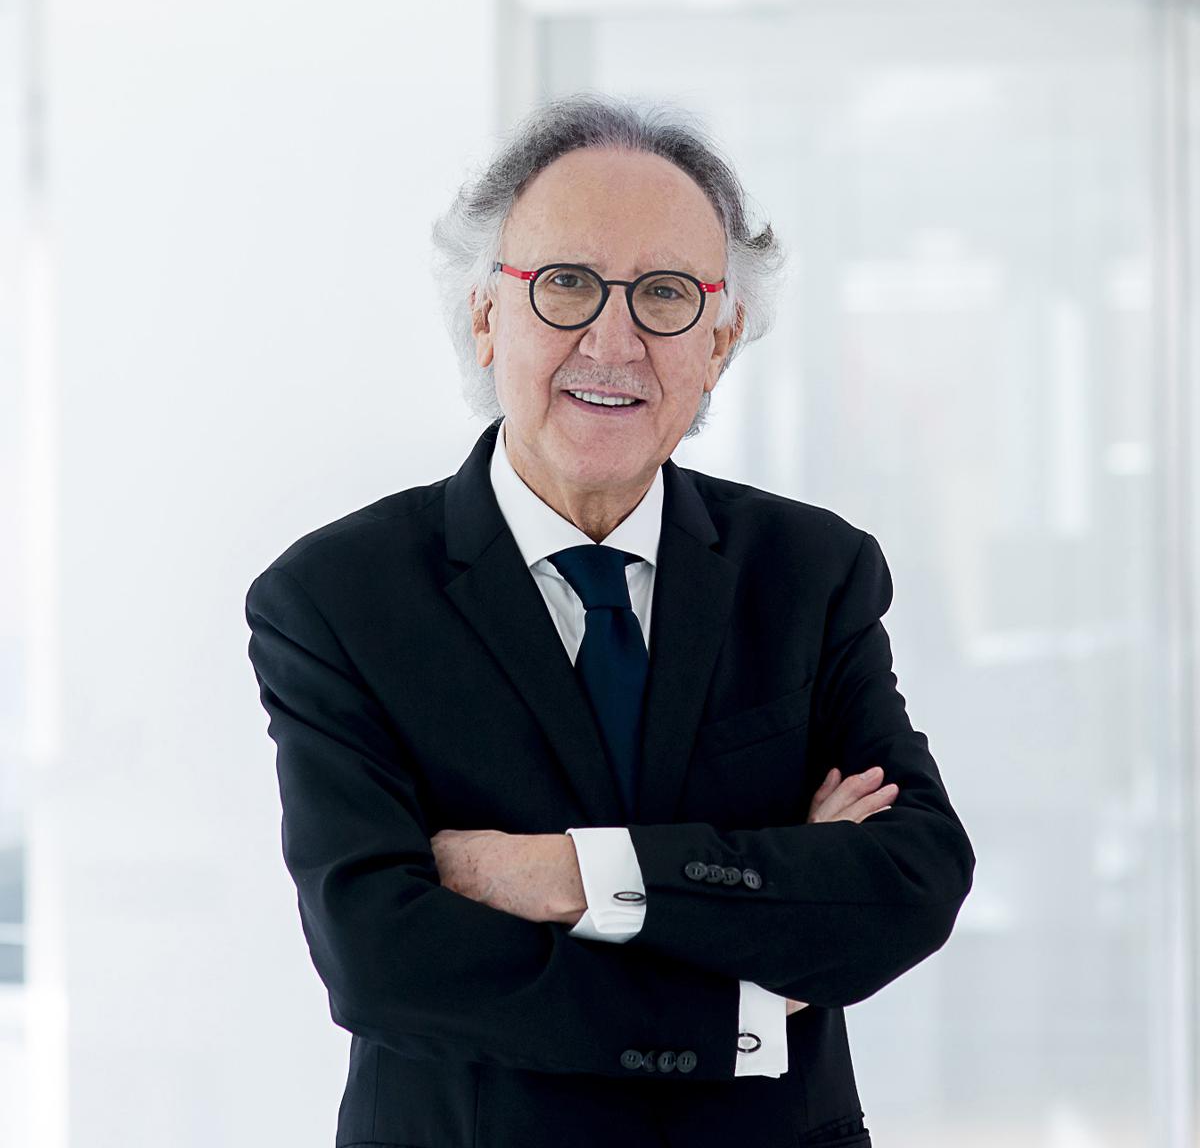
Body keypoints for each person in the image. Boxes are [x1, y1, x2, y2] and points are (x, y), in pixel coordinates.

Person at [244, 92, 975, 1148]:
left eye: (667, 294)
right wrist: (741, 1004)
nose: (615, 340)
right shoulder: (337, 599)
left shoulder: (812, 573)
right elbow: (384, 959)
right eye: (567, 284)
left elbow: (909, 879)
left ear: (720, 342)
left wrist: (563, 876)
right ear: (486, 315)